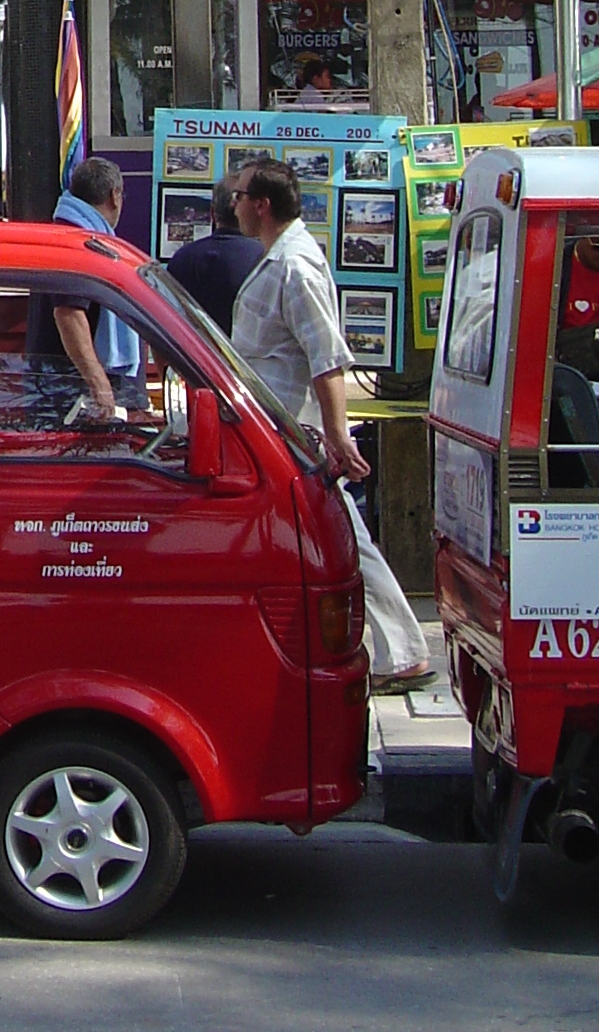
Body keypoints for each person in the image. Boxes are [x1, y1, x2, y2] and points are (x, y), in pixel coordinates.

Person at [231, 160, 429, 688]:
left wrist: (338, 437)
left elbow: (326, 357)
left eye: (240, 196)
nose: (234, 205)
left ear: (262, 205)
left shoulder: (295, 267)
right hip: (276, 428)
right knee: (334, 536)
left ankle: (402, 649)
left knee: (343, 536)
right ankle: (394, 647)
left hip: (297, 432)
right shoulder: (278, 259)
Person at [32, 156, 148, 424]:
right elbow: (69, 313)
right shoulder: (76, 242)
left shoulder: (83, 236)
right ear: (114, 196)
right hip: (74, 397)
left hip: (72, 392)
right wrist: (99, 383)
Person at [166, 174, 262, 334]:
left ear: (212, 213)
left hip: (191, 354)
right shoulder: (264, 259)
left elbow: (167, 321)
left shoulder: (182, 259)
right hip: (245, 357)